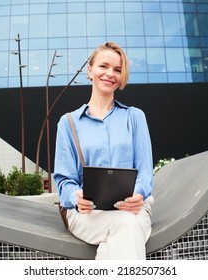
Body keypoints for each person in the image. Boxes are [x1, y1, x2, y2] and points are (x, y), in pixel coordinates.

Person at [53, 42, 153, 260]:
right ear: (90, 70)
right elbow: (63, 180)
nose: (110, 74)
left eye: (117, 70)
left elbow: (145, 171)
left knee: (125, 226)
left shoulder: (135, 117)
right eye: (103, 66)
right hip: (87, 214)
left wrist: (138, 194)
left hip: (132, 209)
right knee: (127, 226)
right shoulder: (68, 123)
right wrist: (76, 196)